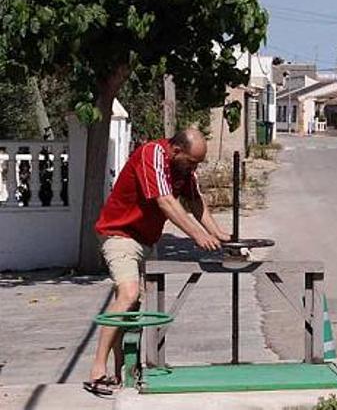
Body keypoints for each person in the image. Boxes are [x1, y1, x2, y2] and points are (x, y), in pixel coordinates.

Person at [83, 129, 229, 395]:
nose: (194, 168)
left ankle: (121, 371)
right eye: (192, 162)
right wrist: (198, 235)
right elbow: (166, 202)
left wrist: (221, 235)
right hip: (119, 234)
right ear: (176, 151)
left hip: (147, 240)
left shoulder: (183, 170)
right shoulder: (152, 154)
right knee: (128, 294)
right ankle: (97, 370)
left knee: (135, 307)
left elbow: (195, 203)